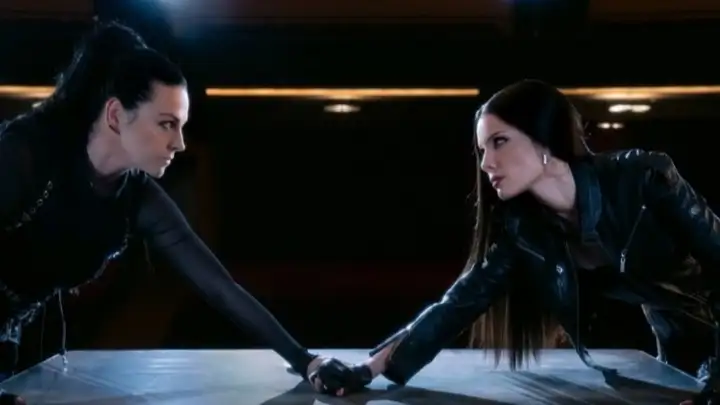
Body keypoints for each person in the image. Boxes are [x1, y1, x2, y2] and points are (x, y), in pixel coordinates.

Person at [309, 79, 720, 405]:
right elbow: (459, 303)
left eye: (499, 141)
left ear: (545, 141)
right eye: (482, 149)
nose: (487, 163)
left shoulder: (645, 178)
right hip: (677, 348)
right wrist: (366, 369)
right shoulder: (525, 229)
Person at [0, 20, 334, 403]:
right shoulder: (25, 155)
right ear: (115, 115)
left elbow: (219, 287)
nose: (179, 143)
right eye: (166, 125)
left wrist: (309, 361)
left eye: (181, 126)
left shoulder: (138, 197)